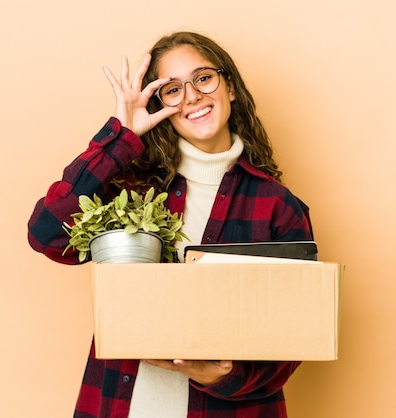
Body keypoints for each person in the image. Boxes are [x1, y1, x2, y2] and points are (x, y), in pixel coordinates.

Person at [27, 31, 313, 418]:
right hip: (124, 405)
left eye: (203, 78)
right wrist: (121, 137)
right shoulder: (135, 188)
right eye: (173, 89)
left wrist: (219, 376)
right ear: (159, 104)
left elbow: (295, 336)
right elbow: (45, 233)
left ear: (229, 87)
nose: (192, 95)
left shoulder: (278, 206)